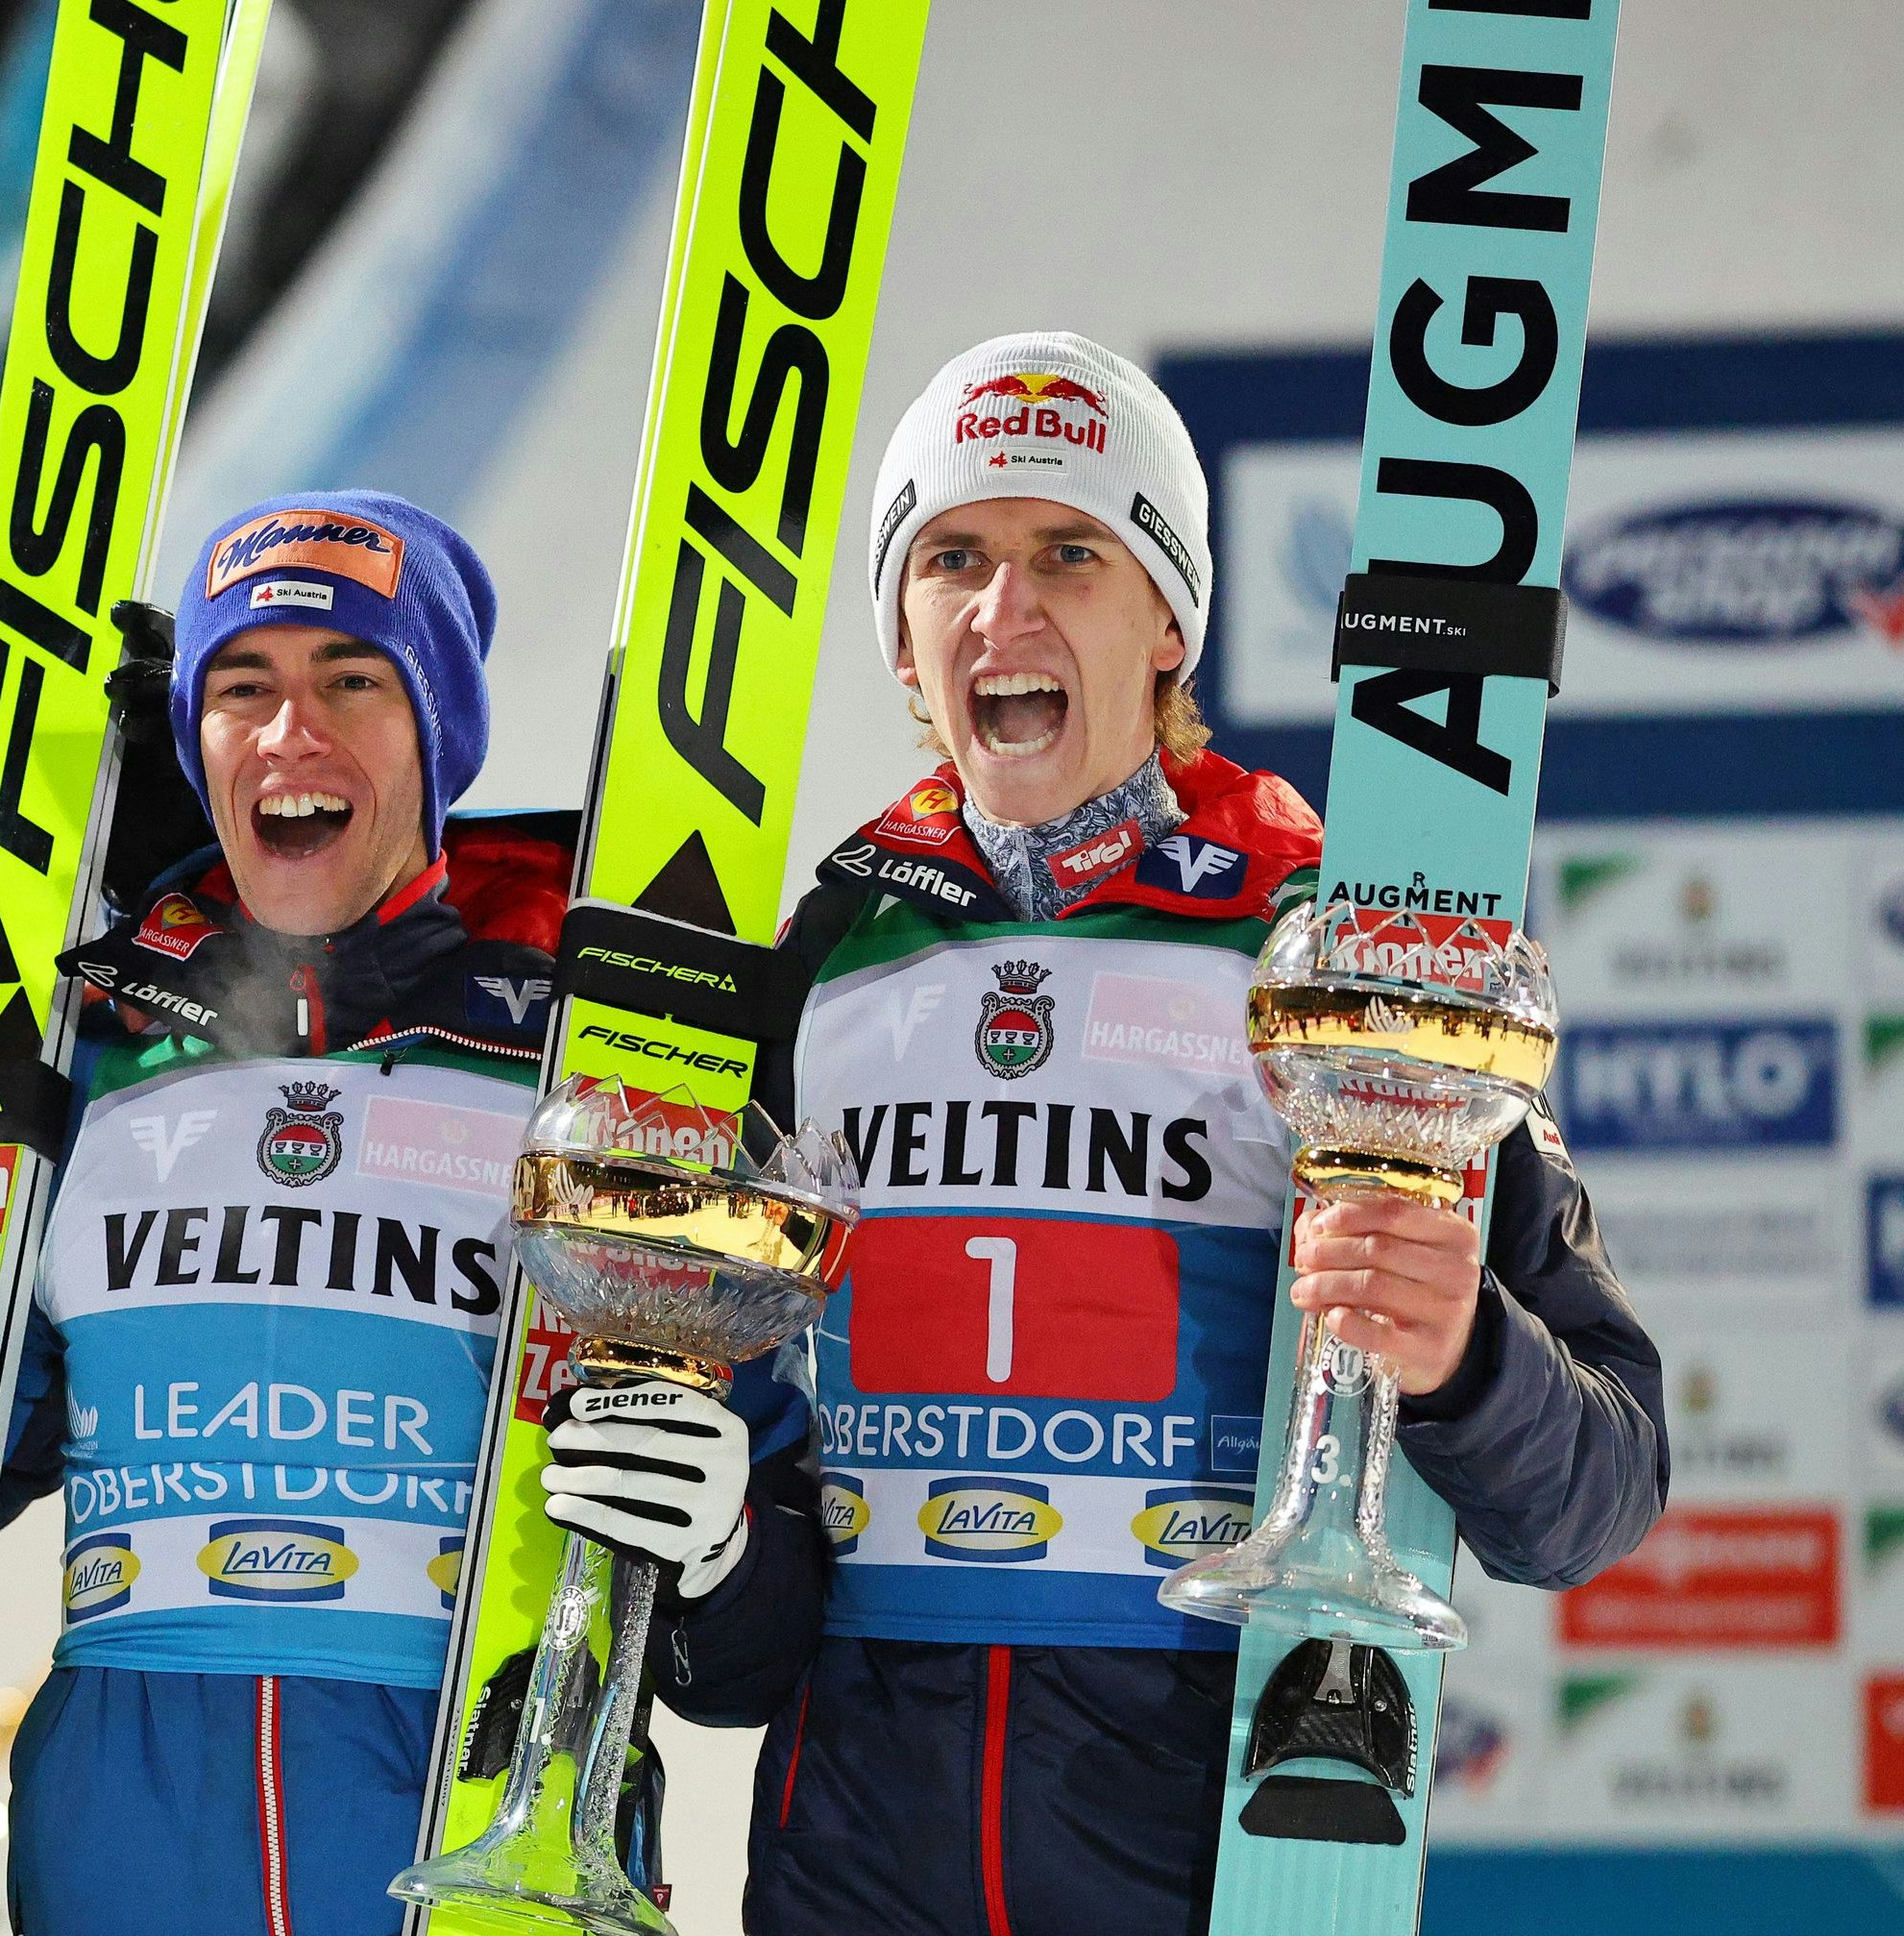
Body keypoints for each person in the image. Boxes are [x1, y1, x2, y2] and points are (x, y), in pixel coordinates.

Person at [538, 332, 1670, 1936]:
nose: (1008, 609)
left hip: (1213, 1851)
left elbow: (1599, 1491)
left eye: (1073, 550)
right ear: (902, 639)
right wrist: (717, 1542)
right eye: (953, 559)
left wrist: (1467, 1354)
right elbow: (742, 1669)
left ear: (1166, 624)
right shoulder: (815, 974)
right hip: (856, 1868)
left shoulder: (1328, 957)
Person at [0, 492, 572, 1933]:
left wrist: (723, 1548)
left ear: (435, 732)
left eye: (350, 682)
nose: (285, 733)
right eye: (238, 687)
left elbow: (738, 1648)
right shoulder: (94, 1044)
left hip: (461, 1801)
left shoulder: (579, 1039)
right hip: (122, 1828)